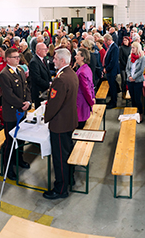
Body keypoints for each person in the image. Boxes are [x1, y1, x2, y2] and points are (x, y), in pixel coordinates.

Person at [43, 48, 78, 199]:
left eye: (56, 58)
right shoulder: (71, 74)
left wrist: (46, 117)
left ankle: (61, 188)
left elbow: (55, 104)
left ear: (62, 61)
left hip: (60, 123)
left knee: (59, 157)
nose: (53, 60)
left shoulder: (61, 79)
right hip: (69, 119)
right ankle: (69, 179)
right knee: (67, 152)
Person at [0, 48, 31, 181]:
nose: (18, 59)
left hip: (22, 110)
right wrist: (21, 104)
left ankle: (19, 159)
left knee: (20, 139)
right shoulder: (4, 74)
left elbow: (26, 88)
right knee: (10, 141)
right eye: (15, 57)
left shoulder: (21, 71)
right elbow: (8, 95)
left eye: (18, 56)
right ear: (8, 59)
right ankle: (7, 167)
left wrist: (28, 101)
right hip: (11, 113)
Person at [75, 48, 95, 128]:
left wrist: (91, 102)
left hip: (81, 102)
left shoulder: (81, 73)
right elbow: (91, 85)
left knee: (80, 126)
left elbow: (86, 90)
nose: (75, 57)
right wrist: (93, 97)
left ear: (83, 57)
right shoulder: (86, 68)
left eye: (77, 55)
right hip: (85, 101)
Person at [125, 42, 145, 120]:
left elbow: (141, 70)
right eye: (132, 48)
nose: (132, 49)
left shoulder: (142, 57)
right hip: (130, 81)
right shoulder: (130, 57)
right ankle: (134, 113)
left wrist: (134, 77)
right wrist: (129, 76)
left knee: (137, 99)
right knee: (132, 98)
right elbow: (127, 68)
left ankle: (140, 113)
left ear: (137, 48)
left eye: (133, 48)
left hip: (138, 81)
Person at [29, 43, 51, 109]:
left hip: (45, 90)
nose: (46, 51)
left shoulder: (43, 59)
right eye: (44, 49)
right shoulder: (34, 62)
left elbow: (47, 73)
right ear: (38, 50)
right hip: (39, 92)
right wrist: (48, 84)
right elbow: (37, 79)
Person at [103, 34, 120, 109]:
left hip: (112, 71)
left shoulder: (115, 48)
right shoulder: (110, 47)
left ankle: (114, 102)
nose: (105, 43)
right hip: (110, 70)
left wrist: (107, 68)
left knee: (113, 87)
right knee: (111, 86)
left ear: (109, 40)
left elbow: (113, 61)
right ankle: (112, 100)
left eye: (106, 41)